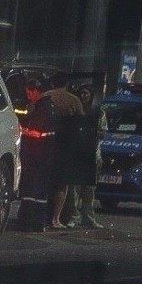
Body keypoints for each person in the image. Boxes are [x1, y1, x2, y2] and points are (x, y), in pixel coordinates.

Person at [63, 83, 107, 228]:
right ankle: (74, 217)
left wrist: (90, 130)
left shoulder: (98, 112)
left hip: (92, 155)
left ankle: (88, 217)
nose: (83, 96)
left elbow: (103, 133)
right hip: (76, 154)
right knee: (74, 189)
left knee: (89, 190)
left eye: (86, 93)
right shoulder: (74, 110)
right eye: (81, 93)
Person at [44, 75, 85, 229]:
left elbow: (31, 113)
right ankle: (56, 219)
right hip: (65, 145)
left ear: (52, 83)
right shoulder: (73, 100)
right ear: (66, 84)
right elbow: (81, 122)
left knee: (45, 180)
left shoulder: (45, 97)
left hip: (45, 143)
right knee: (62, 184)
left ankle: (41, 215)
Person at [18, 78, 56, 231]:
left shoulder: (42, 108)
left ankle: (27, 222)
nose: (28, 97)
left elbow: (37, 132)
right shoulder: (49, 106)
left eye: (29, 93)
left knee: (30, 189)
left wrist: (22, 130)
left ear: (35, 91)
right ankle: (38, 223)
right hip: (46, 154)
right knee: (41, 191)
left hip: (36, 154)